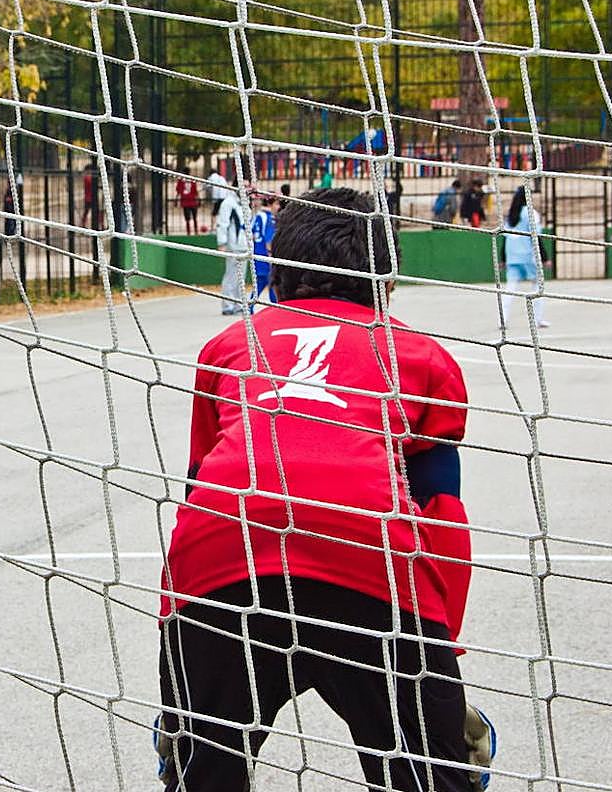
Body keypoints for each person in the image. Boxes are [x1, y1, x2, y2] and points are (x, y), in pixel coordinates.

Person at [155, 187, 493, 792]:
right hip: (372, 563)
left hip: (222, 561)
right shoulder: (420, 355)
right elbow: (441, 513)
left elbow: (198, 492)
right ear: (385, 283)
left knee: (204, 771)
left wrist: (180, 668)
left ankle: (191, 745)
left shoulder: (231, 346)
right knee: (433, 773)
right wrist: (439, 653)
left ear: (275, 279)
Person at [500, 186, 552, 328]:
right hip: (528, 256)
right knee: (537, 286)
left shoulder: (511, 216)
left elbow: (505, 238)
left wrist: (503, 258)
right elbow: (536, 237)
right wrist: (545, 257)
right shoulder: (531, 214)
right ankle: (537, 319)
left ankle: (503, 319)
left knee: (510, 288)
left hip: (512, 255)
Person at [214, 184, 250, 315]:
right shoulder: (228, 203)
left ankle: (239, 303)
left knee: (241, 276)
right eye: (244, 185)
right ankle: (227, 304)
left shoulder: (245, 203)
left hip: (244, 245)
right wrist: (222, 242)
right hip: (232, 245)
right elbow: (223, 223)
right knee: (231, 275)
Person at [249, 193, 278, 304]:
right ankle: (275, 307)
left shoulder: (258, 216)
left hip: (257, 254)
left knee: (262, 282)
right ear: (270, 204)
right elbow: (268, 240)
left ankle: (250, 306)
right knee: (271, 281)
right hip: (265, 255)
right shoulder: (269, 217)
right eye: (276, 204)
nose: (278, 207)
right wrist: (271, 255)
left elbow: (250, 234)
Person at [176, 168, 200, 234]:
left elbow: (178, 190)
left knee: (187, 219)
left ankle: (188, 232)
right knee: (195, 217)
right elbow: (195, 191)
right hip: (193, 201)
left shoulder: (180, 180)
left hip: (185, 201)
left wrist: (176, 200)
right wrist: (198, 199)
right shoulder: (192, 179)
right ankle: (196, 231)